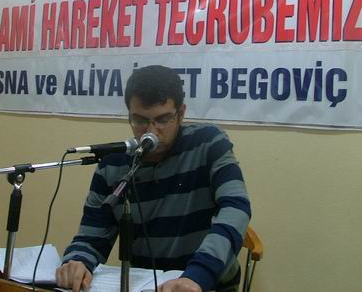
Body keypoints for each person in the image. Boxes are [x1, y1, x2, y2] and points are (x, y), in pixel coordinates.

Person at [56, 65, 251, 291]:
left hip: (205, 283)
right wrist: (78, 261)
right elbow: (92, 235)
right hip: (149, 286)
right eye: (140, 120)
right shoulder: (113, 165)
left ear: (181, 114)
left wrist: (198, 275)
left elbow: (236, 207)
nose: (151, 131)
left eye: (163, 119)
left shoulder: (208, 143)